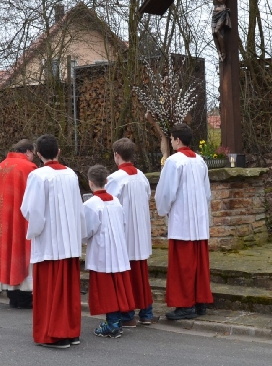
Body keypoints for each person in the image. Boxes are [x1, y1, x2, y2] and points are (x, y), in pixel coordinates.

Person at [21, 134, 85, 349]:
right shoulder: (71, 174)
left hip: (49, 242)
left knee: (50, 291)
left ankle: (56, 335)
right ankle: (71, 331)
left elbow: (32, 210)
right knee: (67, 290)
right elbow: (78, 207)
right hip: (69, 240)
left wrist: (33, 232)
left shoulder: (38, 176)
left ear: (38, 154)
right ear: (58, 151)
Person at [155, 123, 213, 320]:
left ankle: (185, 304)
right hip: (198, 221)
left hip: (182, 220)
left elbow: (167, 192)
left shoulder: (174, 162)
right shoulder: (200, 161)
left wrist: (163, 210)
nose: (170, 142)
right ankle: (200, 302)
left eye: (171, 139)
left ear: (177, 140)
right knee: (198, 264)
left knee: (183, 266)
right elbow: (206, 193)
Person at [105, 138, 155, 327]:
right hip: (140, 231)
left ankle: (127, 314)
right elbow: (148, 196)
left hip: (125, 232)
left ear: (117, 155)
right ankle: (146, 312)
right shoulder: (141, 176)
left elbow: (108, 203)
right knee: (141, 273)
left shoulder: (115, 179)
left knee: (125, 274)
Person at [84, 165, 135, 338]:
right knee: (116, 285)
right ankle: (117, 320)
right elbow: (122, 223)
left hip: (102, 251)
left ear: (90, 183)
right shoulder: (116, 201)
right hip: (117, 249)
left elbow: (86, 230)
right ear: (106, 181)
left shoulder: (90, 204)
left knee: (106, 288)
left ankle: (112, 324)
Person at [0, 140, 37, 308]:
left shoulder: (1, 166)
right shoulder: (28, 168)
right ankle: (24, 296)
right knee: (20, 252)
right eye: (32, 154)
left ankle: (12, 295)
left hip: (3, 220)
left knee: (7, 253)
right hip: (20, 220)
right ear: (28, 151)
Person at [191, 0, 255, 61]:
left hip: (222, 12)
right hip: (215, 13)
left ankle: (223, 52)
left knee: (217, 31)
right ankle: (219, 53)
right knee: (213, 33)